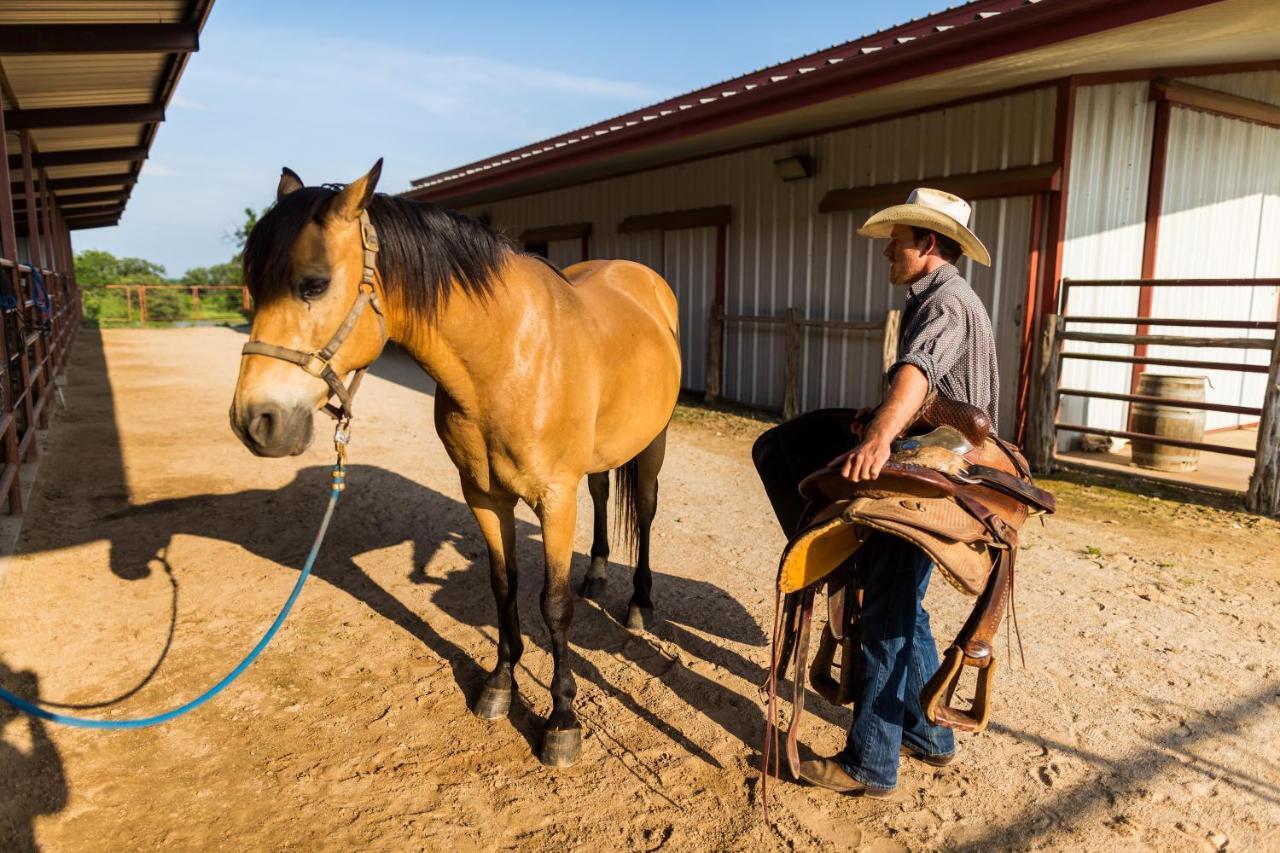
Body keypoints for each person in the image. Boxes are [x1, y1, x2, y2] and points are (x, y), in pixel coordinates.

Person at [797, 187, 999, 797]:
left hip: (937, 475)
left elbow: (917, 374)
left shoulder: (946, 304)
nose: (888, 249)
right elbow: (932, 393)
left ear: (928, 245)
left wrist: (879, 437)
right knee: (905, 603)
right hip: (946, 462)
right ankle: (928, 734)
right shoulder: (943, 299)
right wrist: (888, 416)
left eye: (899, 240)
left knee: (886, 607)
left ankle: (870, 763)